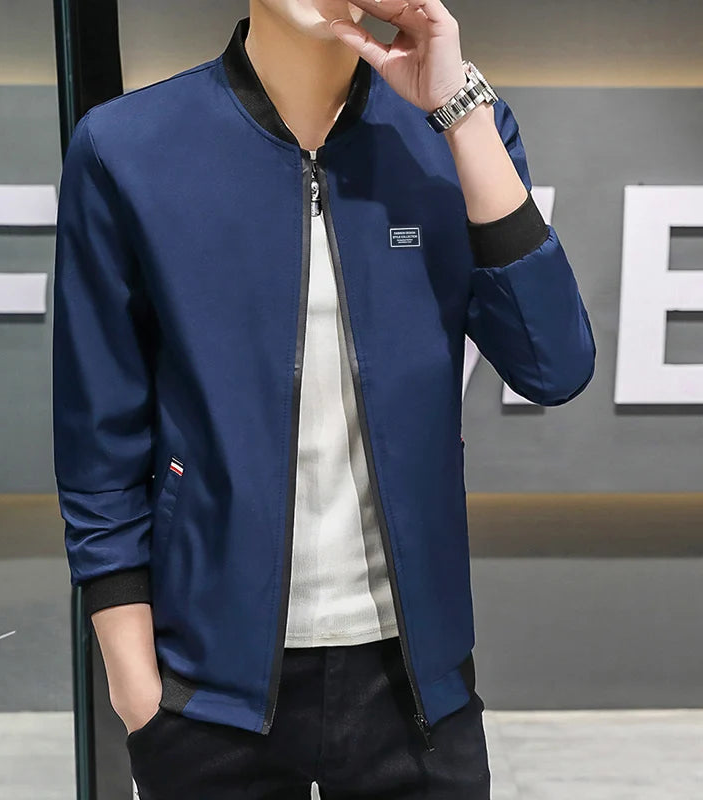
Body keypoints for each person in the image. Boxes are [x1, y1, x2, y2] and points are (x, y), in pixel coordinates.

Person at [52, 1, 596, 797]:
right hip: (207, 691)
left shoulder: (453, 131)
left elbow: (555, 364)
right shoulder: (128, 146)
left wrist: (459, 112)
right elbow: (98, 436)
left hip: (416, 690)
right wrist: (137, 690)